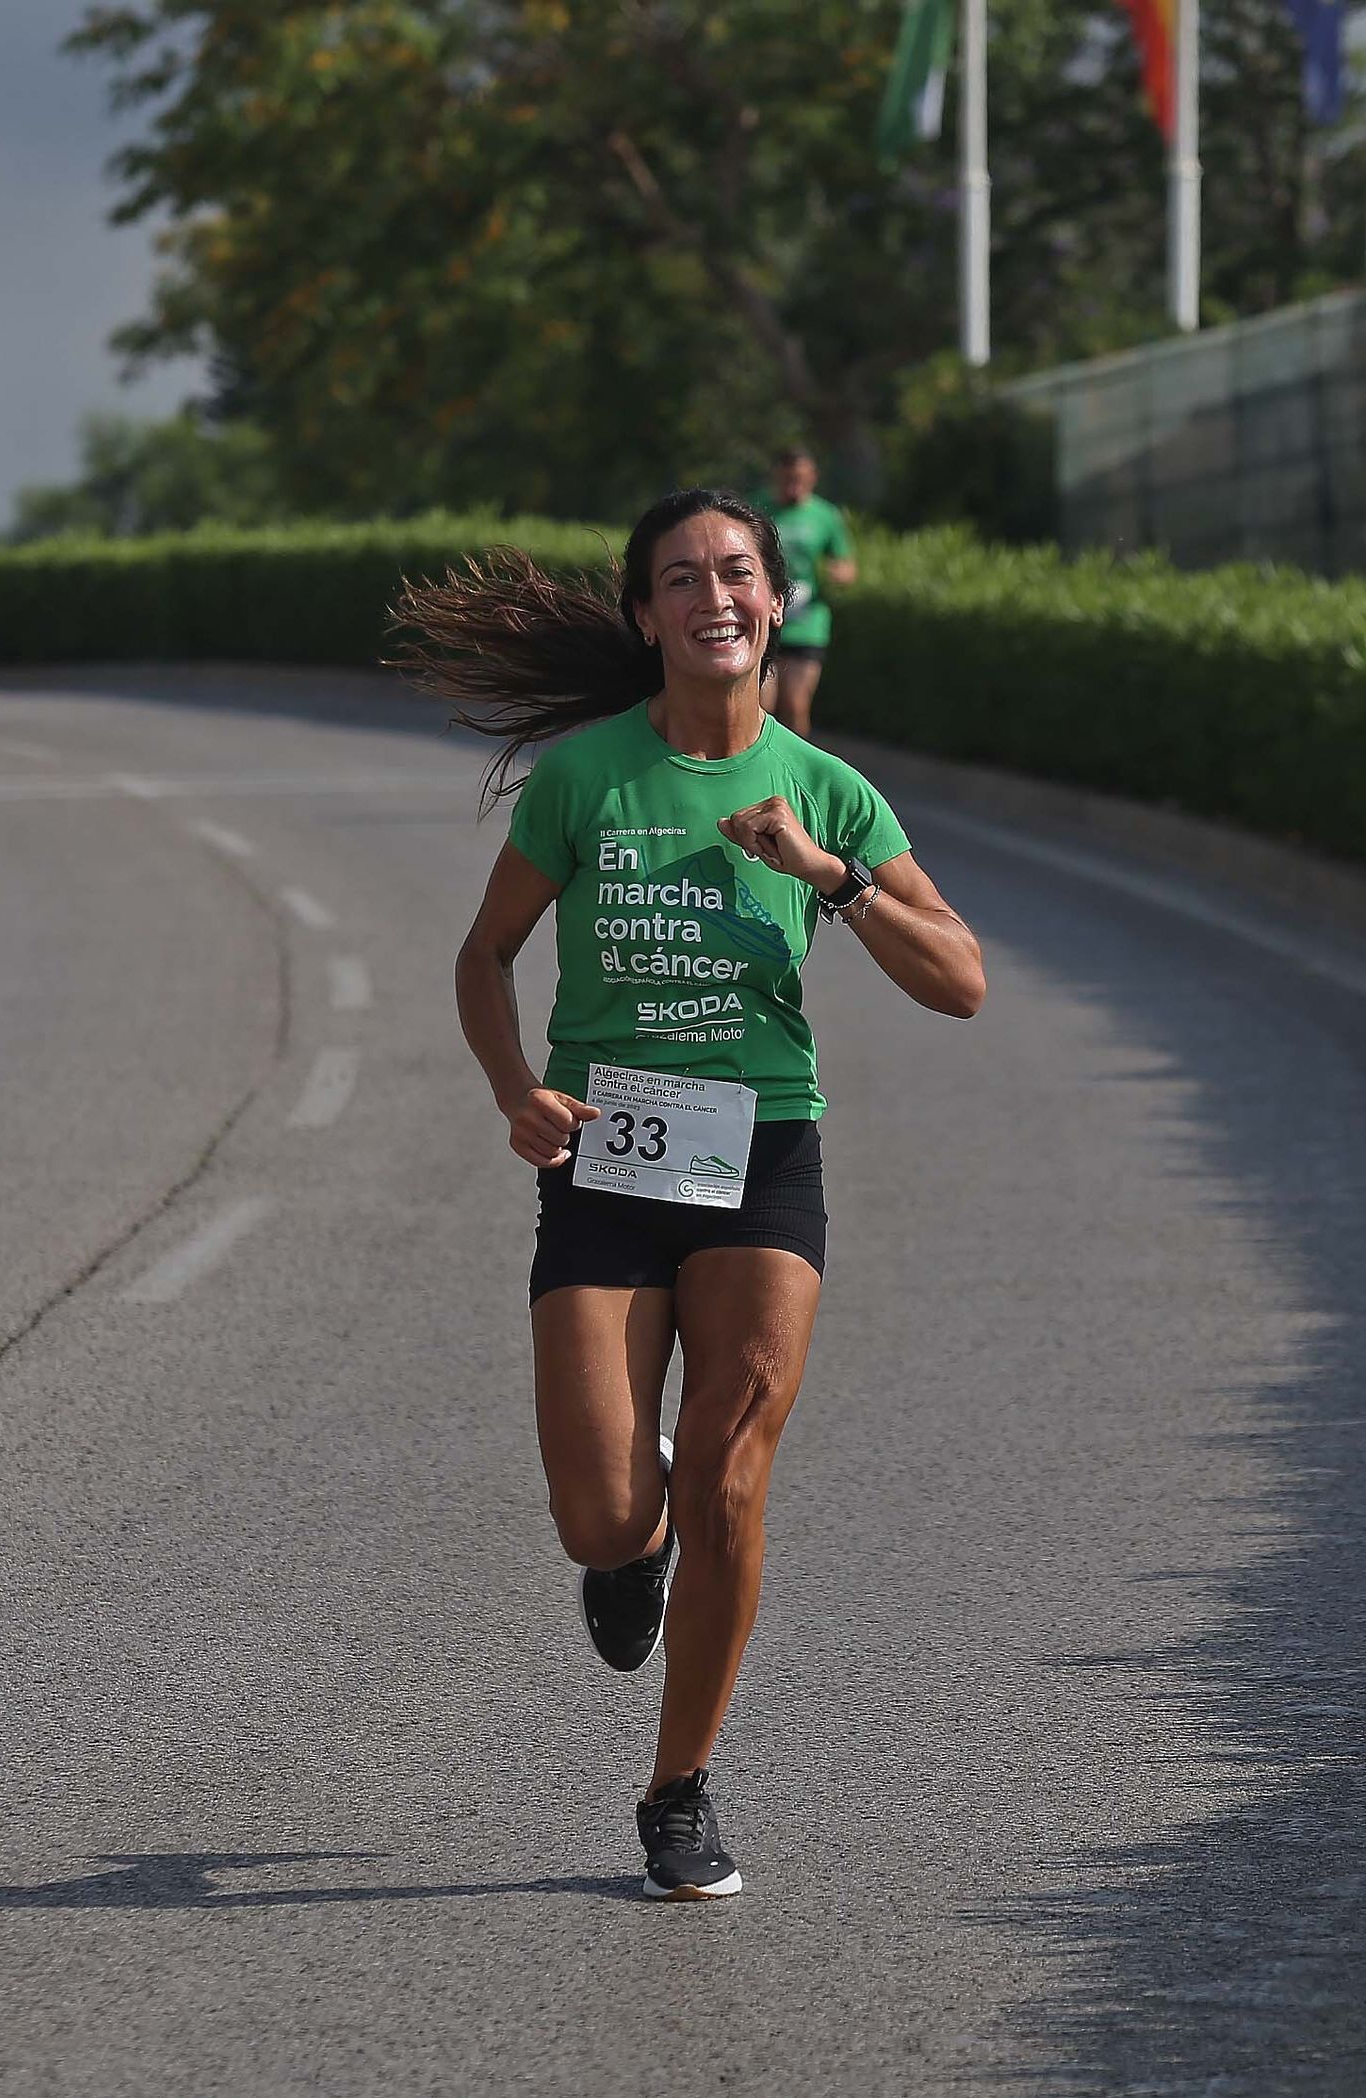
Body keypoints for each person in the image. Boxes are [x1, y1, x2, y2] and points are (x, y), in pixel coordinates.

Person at [397, 488, 984, 1901]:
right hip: (605, 1156)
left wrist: (828, 875)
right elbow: (484, 956)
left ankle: (679, 1788)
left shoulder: (830, 791)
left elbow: (961, 978)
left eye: (735, 572)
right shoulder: (587, 779)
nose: (712, 594)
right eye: (680, 577)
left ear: (777, 601)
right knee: (605, 1512)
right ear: (647, 614)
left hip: (764, 1155)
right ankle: (630, 1549)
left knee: (728, 1468)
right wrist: (510, 1089)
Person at [757, 447, 856, 741]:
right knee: (762, 705)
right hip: (765, 619)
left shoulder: (824, 515)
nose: (793, 486)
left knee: (796, 705)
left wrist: (840, 573)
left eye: (800, 479)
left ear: (812, 478)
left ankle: (798, 773)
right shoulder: (756, 507)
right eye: (787, 478)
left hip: (807, 622)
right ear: (776, 476)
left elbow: (848, 565)